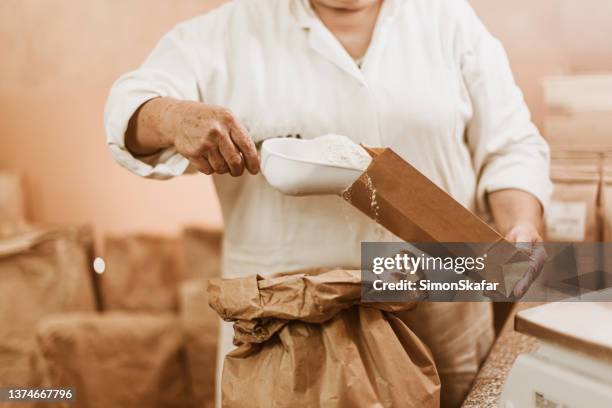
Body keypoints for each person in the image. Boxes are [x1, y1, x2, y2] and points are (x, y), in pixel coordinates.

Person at [104, 0, 552, 406]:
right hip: (289, 335)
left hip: (440, 314)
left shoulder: (448, 20)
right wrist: (173, 117)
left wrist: (520, 227)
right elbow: (130, 107)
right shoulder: (226, 31)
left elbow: (510, 147)